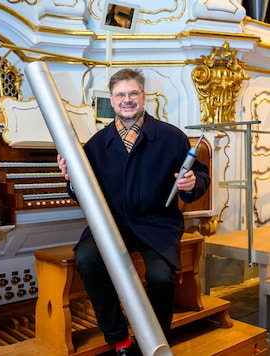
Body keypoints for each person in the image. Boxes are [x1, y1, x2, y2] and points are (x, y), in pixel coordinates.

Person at [57, 68, 210, 355]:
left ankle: (155, 342)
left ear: (143, 97)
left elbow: (199, 177)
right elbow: (81, 195)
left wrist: (191, 183)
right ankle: (119, 338)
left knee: (161, 279)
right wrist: (71, 180)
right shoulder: (96, 145)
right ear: (112, 101)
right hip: (110, 224)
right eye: (120, 95)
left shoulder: (172, 137)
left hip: (157, 224)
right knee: (87, 258)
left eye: (133, 93)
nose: (127, 100)